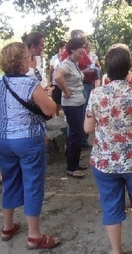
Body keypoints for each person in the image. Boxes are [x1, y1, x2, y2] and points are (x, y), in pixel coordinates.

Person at [85, 45, 132, 254]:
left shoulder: (96, 94)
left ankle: (116, 251)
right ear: (128, 67)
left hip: (105, 162)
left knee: (111, 205)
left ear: (107, 69)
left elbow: (87, 128)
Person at [0, 42, 59, 249]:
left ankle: (7, 226)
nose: (30, 60)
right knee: (32, 184)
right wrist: (46, 95)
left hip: (2, 139)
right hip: (27, 139)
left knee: (10, 181)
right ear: (21, 61)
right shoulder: (29, 83)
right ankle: (34, 235)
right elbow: (50, 109)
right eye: (28, 57)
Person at [54, 38, 88, 178]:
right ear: (73, 49)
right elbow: (57, 77)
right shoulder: (67, 64)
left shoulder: (74, 64)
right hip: (72, 104)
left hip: (78, 102)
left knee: (77, 133)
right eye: (81, 48)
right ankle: (71, 167)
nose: (83, 50)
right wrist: (66, 91)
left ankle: (74, 161)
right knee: (76, 133)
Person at [49, 40, 66, 117]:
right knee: (56, 100)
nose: (63, 50)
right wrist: (50, 81)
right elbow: (51, 71)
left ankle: (66, 115)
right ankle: (57, 115)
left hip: (65, 82)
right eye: (61, 48)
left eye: (64, 48)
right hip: (56, 83)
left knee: (65, 99)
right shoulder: (54, 58)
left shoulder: (67, 58)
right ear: (58, 49)